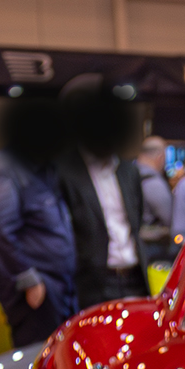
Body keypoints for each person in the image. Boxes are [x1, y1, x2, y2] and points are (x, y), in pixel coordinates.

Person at [0, 91, 78, 346]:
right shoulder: (5, 169)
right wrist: (27, 279)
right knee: (36, 363)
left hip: (59, 287)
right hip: (36, 292)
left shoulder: (42, 168)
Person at [55, 75, 150, 309]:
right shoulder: (64, 173)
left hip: (135, 279)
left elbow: (134, 221)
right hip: (92, 286)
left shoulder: (129, 172)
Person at [135, 136, 176, 265]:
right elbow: (169, 218)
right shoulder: (154, 183)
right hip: (151, 250)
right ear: (160, 157)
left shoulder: (127, 176)